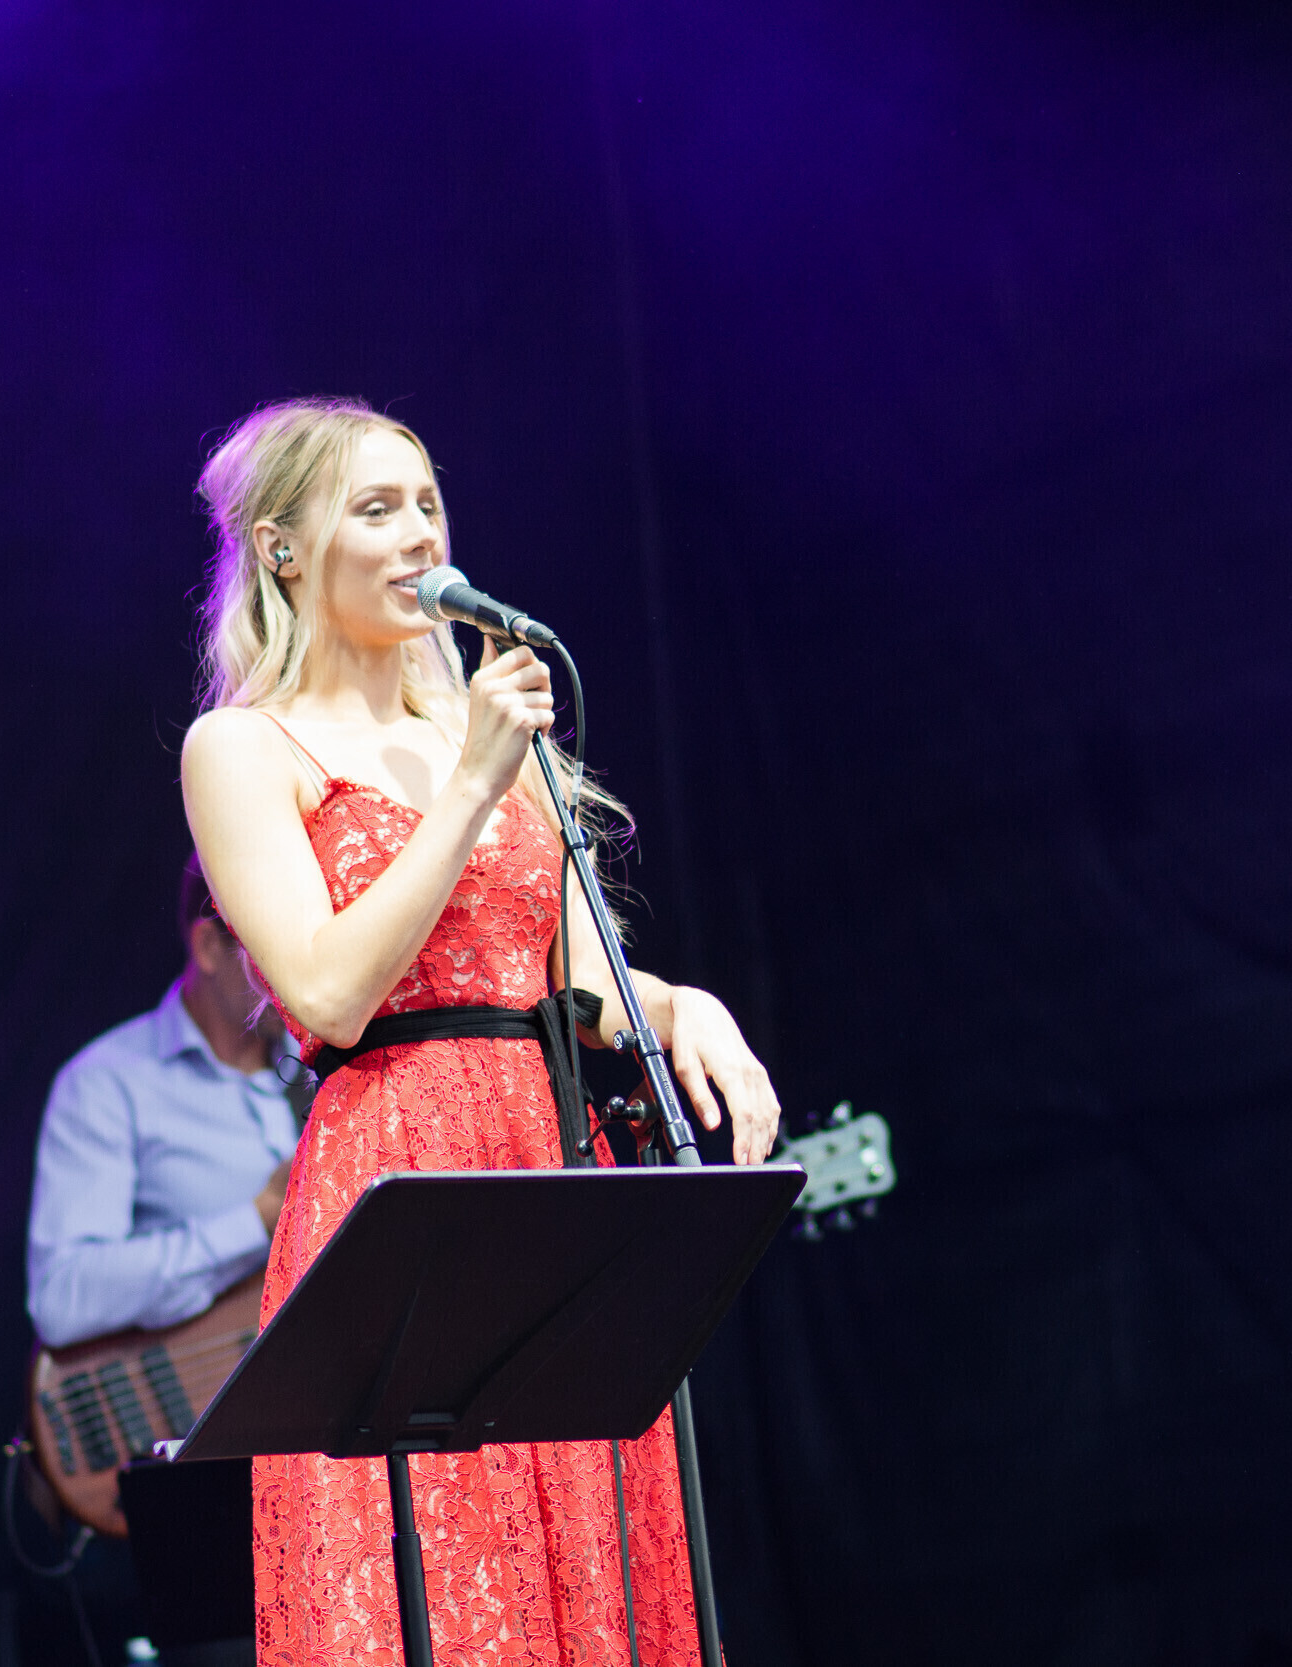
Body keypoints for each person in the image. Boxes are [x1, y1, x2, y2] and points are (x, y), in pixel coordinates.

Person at [179, 396, 781, 1666]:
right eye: (376, 509)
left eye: (428, 504)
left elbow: (578, 980)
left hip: (545, 1156)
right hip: (399, 1161)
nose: (419, 536)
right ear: (282, 547)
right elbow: (326, 991)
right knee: (451, 1581)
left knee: (590, 1569)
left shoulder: (484, 735)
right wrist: (468, 786)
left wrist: (689, 1006)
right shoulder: (241, 747)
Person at [27, 854, 303, 1350]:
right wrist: (257, 1220)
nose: (298, 968)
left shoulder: (329, 1067)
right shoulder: (105, 1083)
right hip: (207, 1390)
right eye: (273, 945)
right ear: (208, 947)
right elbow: (62, 1296)